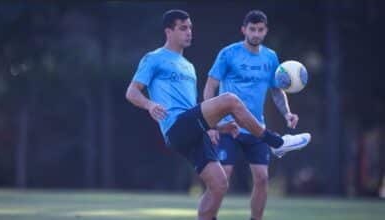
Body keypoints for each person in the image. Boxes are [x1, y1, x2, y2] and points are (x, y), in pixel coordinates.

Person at [126, 9, 309, 220]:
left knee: (220, 185)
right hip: (175, 127)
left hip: (192, 130)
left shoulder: (189, 66)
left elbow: (191, 107)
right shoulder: (154, 58)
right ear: (169, 31)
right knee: (230, 99)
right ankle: (276, 142)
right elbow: (132, 91)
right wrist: (149, 105)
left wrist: (215, 127)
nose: (189, 32)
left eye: (190, 28)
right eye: (183, 28)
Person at [203, 10, 310, 220]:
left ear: (265, 31)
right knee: (222, 179)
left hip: (255, 128)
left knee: (262, 178)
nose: (256, 33)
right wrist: (211, 123)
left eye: (260, 30)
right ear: (244, 29)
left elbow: (276, 90)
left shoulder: (270, 57)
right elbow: (210, 87)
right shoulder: (228, 54)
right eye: (252, 29)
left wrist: (287, 113)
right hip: (228, 126)